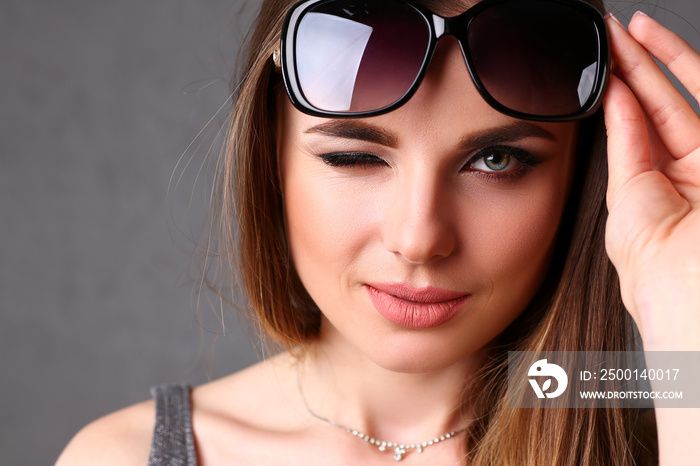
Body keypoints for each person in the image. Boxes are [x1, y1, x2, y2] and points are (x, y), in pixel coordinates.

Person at [57, 0, 700, 464]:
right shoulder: (128, 456)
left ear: (583, 180)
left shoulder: (673, 432)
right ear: (269, 160)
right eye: (354, 157)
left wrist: (685, 307)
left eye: (497, 161)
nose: (419, 238)